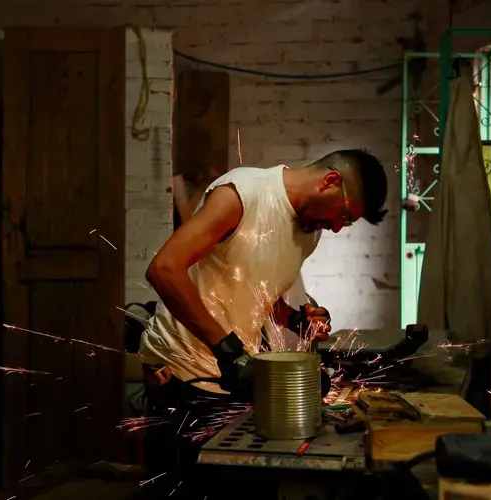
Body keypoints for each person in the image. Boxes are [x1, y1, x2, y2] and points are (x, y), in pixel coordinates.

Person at [138, 149, 388, 497]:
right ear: (331, 181)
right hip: (181, 374)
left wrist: (299, 320)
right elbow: (163, 270)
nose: (335, 228)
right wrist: (227, 350)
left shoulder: (308, 234)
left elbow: (260, 296)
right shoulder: (242, 194)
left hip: (234, 379)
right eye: (344, 216)